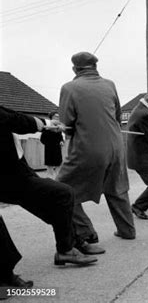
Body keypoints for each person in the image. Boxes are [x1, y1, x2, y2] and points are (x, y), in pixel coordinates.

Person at [0, 106, 97, 276]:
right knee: (62, 194)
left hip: (16, 170)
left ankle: (71, 244)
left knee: (54, 206)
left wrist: (47, 124)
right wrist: (45, 124)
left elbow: (10, 115)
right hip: (8, 175)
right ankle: (66, 248)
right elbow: (11, 119)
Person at [57, 52, 135, 255]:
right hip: (117, 145)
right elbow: (117, 115)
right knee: (117, 188)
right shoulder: (110, 84)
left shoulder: (69, 88)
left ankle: (86, 232)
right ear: (95, 66)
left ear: (75, 69)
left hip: (89, 147)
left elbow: (66, 122)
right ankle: (127, 230)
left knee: (61, 190)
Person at [40, 111, 63, 178]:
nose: (57, 117)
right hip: (49, 148)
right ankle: (50, 177)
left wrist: (61, 141)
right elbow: (42, 139)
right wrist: (48, 143)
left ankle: (58, 177)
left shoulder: (59, 127)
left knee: (58, 163)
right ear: (51, 117)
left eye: (58, 116)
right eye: (55, 116)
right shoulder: (47, 126)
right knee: (49, 164)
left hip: (57, 148)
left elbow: (60, 137)